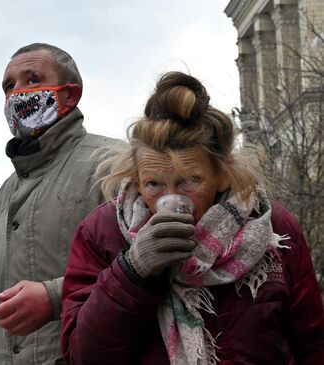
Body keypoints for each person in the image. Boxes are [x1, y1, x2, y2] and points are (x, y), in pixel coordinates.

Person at [61, 71, 324, 364]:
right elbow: (84, 356)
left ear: (222, 176)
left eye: (189, 181)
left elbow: (312, 344)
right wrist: (134, 271)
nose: (169, 198)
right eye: (153, 184)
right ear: (136, 178)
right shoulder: (102, 233)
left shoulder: (271, 228)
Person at [0, 43, 124, 364]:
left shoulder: (114, 165)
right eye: (9, 86)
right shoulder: (7, 191)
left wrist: (54, 298)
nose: (17, 93)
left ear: (70, 95)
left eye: (32, 79)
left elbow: (146, 264)